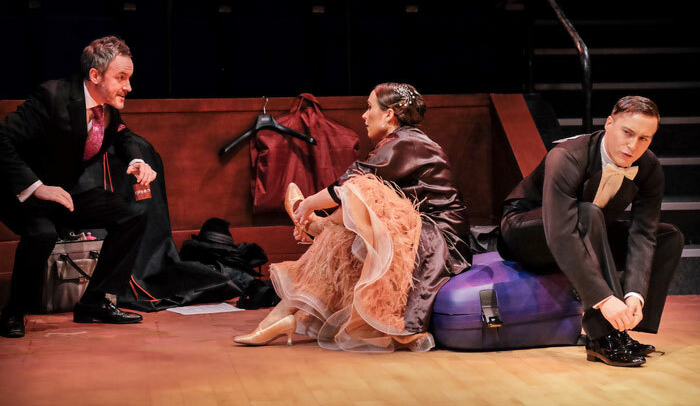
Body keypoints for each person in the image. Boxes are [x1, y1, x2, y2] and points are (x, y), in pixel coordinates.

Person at [234, 83, 471, 352]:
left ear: (389, 115)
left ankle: (319, 226)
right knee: (345, 229)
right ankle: (278, 316)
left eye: (369, 107)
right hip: (420, 234)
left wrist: (308, 204)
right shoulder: (401, 141)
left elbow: (352, 184)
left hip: (440, 241)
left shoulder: (405, 143)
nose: (364, 115)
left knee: (366, 191)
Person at [498, 96, 684, 367]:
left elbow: (643, 232)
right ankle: (602, 336)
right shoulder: (567, 156)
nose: (633, 146)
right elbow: (561, 233)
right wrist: (603, 298)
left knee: (669, 236)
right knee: (589, 213)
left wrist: (634, 293)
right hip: (524, 232)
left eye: (644, 138)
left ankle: (627, 327)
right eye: (627, 133)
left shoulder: (649, 167)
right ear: (609, 123)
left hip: (588, 225)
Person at [0, 36, 157, 338]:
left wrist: (137, 160)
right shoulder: (53, 96)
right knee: (42, 232)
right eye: (121, 78)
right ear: (95, 75)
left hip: (66, 193)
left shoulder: (106, 107)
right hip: (28, 195)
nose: (129, 87)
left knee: (132, 214)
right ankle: (13, 312)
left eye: (129, 78)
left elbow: (123, 135)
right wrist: (37, 186)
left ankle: (94, 302)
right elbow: (2, 140)